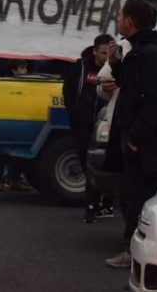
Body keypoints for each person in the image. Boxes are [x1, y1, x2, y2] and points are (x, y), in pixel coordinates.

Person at [104, 0, 157, 270]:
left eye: (121, 16)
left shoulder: (152, 53)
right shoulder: (138, 51)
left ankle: (140, 257)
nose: (118, 20)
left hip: (149, 147)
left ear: (131, 21)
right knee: (132, 199)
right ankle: (133, 253)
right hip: (143, 144)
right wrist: (116, 64)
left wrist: (136, 137)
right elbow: (134, 87)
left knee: (142, 201)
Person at [64, 33, 114, 223]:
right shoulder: (81, 67)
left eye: (109, 53)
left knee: (106, 165)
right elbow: (68, 90)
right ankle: (94, 204)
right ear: (94, 51)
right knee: (87, 165)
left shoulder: (115, 69)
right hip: (83, 126)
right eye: (103, 53)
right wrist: (73, 115)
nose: (106, 57)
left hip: (105, 127)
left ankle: (101, 205)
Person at [0, 59, 33, 192]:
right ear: (14, 71)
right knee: (5, 152)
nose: (25, 71)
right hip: (9, 120)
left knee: (19, 152)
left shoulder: (25, 84)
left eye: (25, 68)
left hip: (22, 120)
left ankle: (15, 179)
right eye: (22, 69)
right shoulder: (8, 84)